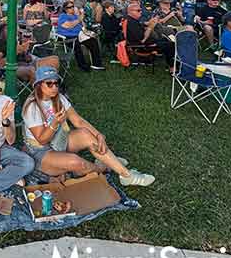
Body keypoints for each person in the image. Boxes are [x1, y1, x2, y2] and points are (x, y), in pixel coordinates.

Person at [21, 67, 154, 187]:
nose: (54, 87)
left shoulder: (58, 98)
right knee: (77, 163)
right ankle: (105, 167)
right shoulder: (32, 107)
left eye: (56, 83)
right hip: (40, 151)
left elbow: (78, 121)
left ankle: (126, 175)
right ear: (38, 85)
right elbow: (41, 140)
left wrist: (99, 135)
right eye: (49, 83)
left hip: (58, 141)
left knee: (85, 134)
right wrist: (55, 123)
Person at [0, 20, 60, 84]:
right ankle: (39, 93)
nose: (12, 30)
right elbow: (1, 64)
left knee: (54, 60)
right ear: (1, 31)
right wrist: (15, 51)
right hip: (12, 68)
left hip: (27, 63)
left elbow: (27, 58)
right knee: (32, 70)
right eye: (8, 28)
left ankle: (52, 84)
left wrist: (25, 52)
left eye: (13, 27)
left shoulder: (15, 39)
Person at [123, 2, 175, 68]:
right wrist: (150, 27)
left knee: (166, 39)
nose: (141, 12)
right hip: (142, 47)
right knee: (170, 45)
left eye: (141, 10)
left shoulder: (131, 20)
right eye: (138, 10)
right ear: (130, 11)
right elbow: (143, 40)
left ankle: (172, 62)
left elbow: (142, 25)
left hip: (147, 43)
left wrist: (149, 22)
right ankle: (172, 67)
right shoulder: (132, 24)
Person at [56, 1, 104, 71]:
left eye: (73, 6)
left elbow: (83, 27)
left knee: (93, 41)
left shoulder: (75, 16)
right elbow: (68, 25)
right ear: (65, 9)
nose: (72, 8)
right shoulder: (63, 16)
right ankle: (83, 66)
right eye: (70, 7)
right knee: (77, 46)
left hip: (79, 35)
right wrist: (79, 19)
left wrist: (88, 33)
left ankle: (96, 64)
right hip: (67, 37)